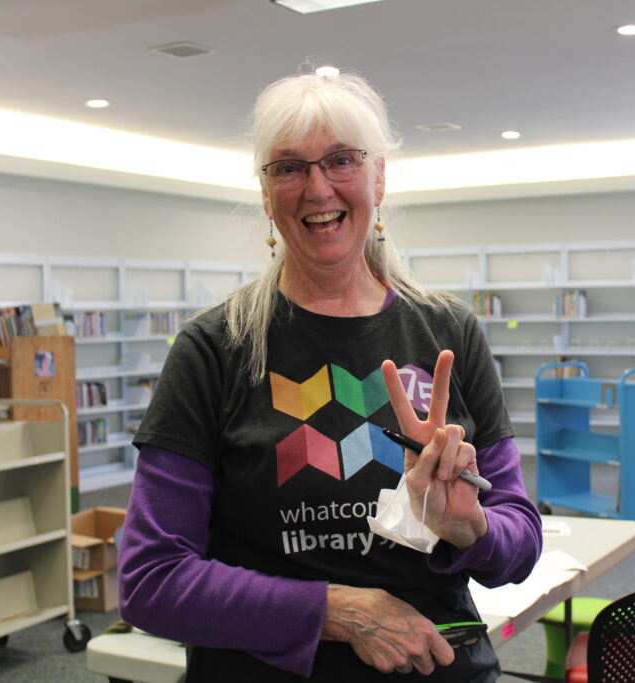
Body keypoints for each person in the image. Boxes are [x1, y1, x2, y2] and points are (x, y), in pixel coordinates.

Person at [118, 68, 543, 682]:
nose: (317, 189)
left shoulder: (449, 333)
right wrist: (335, 612)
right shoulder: (215, 349)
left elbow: (520, 543)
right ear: (266, 195)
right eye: (288, 168)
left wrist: (470, 527)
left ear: (379, 176)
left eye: (340, 160)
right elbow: (150, 578)